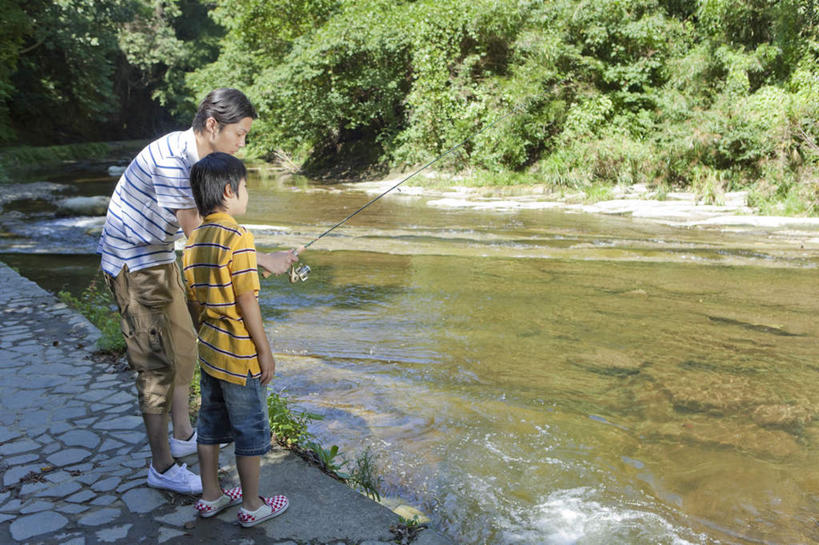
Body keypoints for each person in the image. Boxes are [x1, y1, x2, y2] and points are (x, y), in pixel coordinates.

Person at [98, 88, 299, 494]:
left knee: (186, 344)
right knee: (155, 366)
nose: (243, 144)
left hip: (159, 257)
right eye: (240, 134)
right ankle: (162, 466)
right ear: (212, 125)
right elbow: (202, 239)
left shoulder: (200, 161)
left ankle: (183, 434)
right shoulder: (175, 160)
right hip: (133, 262)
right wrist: (262, 260)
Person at [183, 152, 291, 526]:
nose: (246, 193)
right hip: (241, 356)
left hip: (210, 353)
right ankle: (251, 505)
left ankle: (211, 495)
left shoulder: (194, 240)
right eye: (245, 187)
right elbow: (247, 299)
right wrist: (265, 351)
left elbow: (194, 300)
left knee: (210, 423)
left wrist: (208, 334)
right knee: (250, 429)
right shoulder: (240, 237)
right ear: (229, 191)